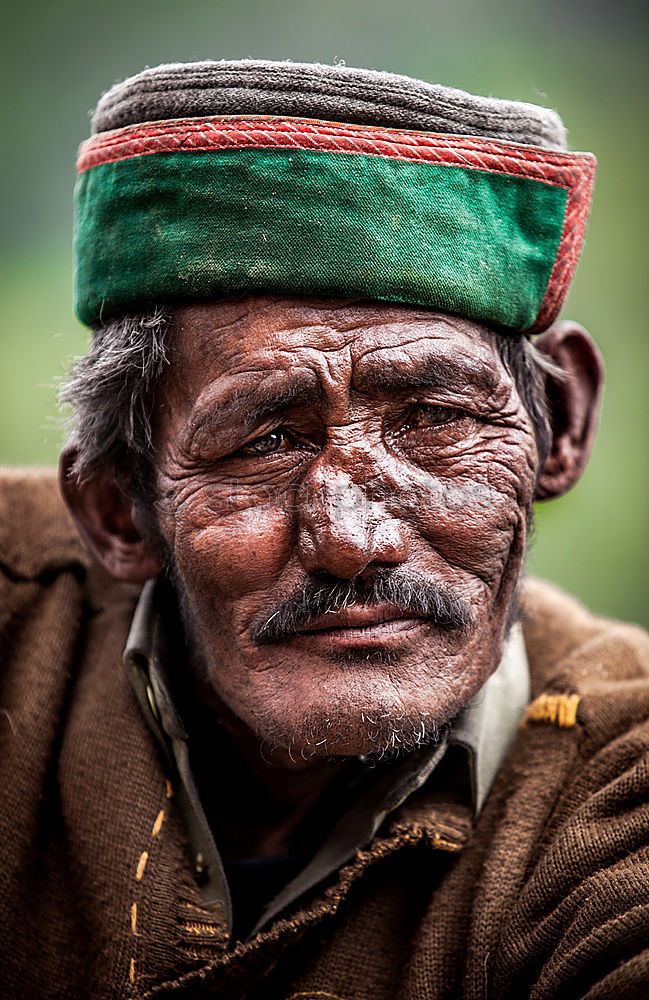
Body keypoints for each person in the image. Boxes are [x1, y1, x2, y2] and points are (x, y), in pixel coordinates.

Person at [1, 59, 647, 1000]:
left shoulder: (619, 775)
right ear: (116, 508)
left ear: (559, 423)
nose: (353, 539)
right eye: (265, 443)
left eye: (434, 419)